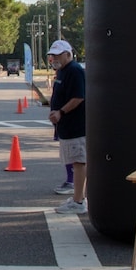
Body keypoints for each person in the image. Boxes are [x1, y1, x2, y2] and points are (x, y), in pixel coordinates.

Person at [47, 40, 87, 214]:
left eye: (58, 55)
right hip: (67, 127)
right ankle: (79, 197)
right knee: (76, 162)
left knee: (79, 162)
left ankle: (78, 202)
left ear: (68, 54)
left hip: (76, 126)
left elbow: (78, 97)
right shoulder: (63, 71)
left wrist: (60, 112)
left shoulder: (74, 70)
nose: (54, 58)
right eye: (52, 55)